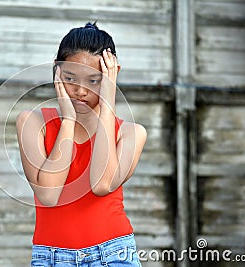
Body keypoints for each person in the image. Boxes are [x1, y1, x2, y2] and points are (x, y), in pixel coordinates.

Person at [16, 22, 147, 267]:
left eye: (94, 81)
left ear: (112, 75)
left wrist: (108, 100)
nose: (79, 90)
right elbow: (49, 194)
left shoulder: (131, 133)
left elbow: (101, 184)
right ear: (57, 72)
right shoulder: (33, 122)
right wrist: (67, 120)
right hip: (52, 258)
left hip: (114, 254)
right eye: (70, 78)